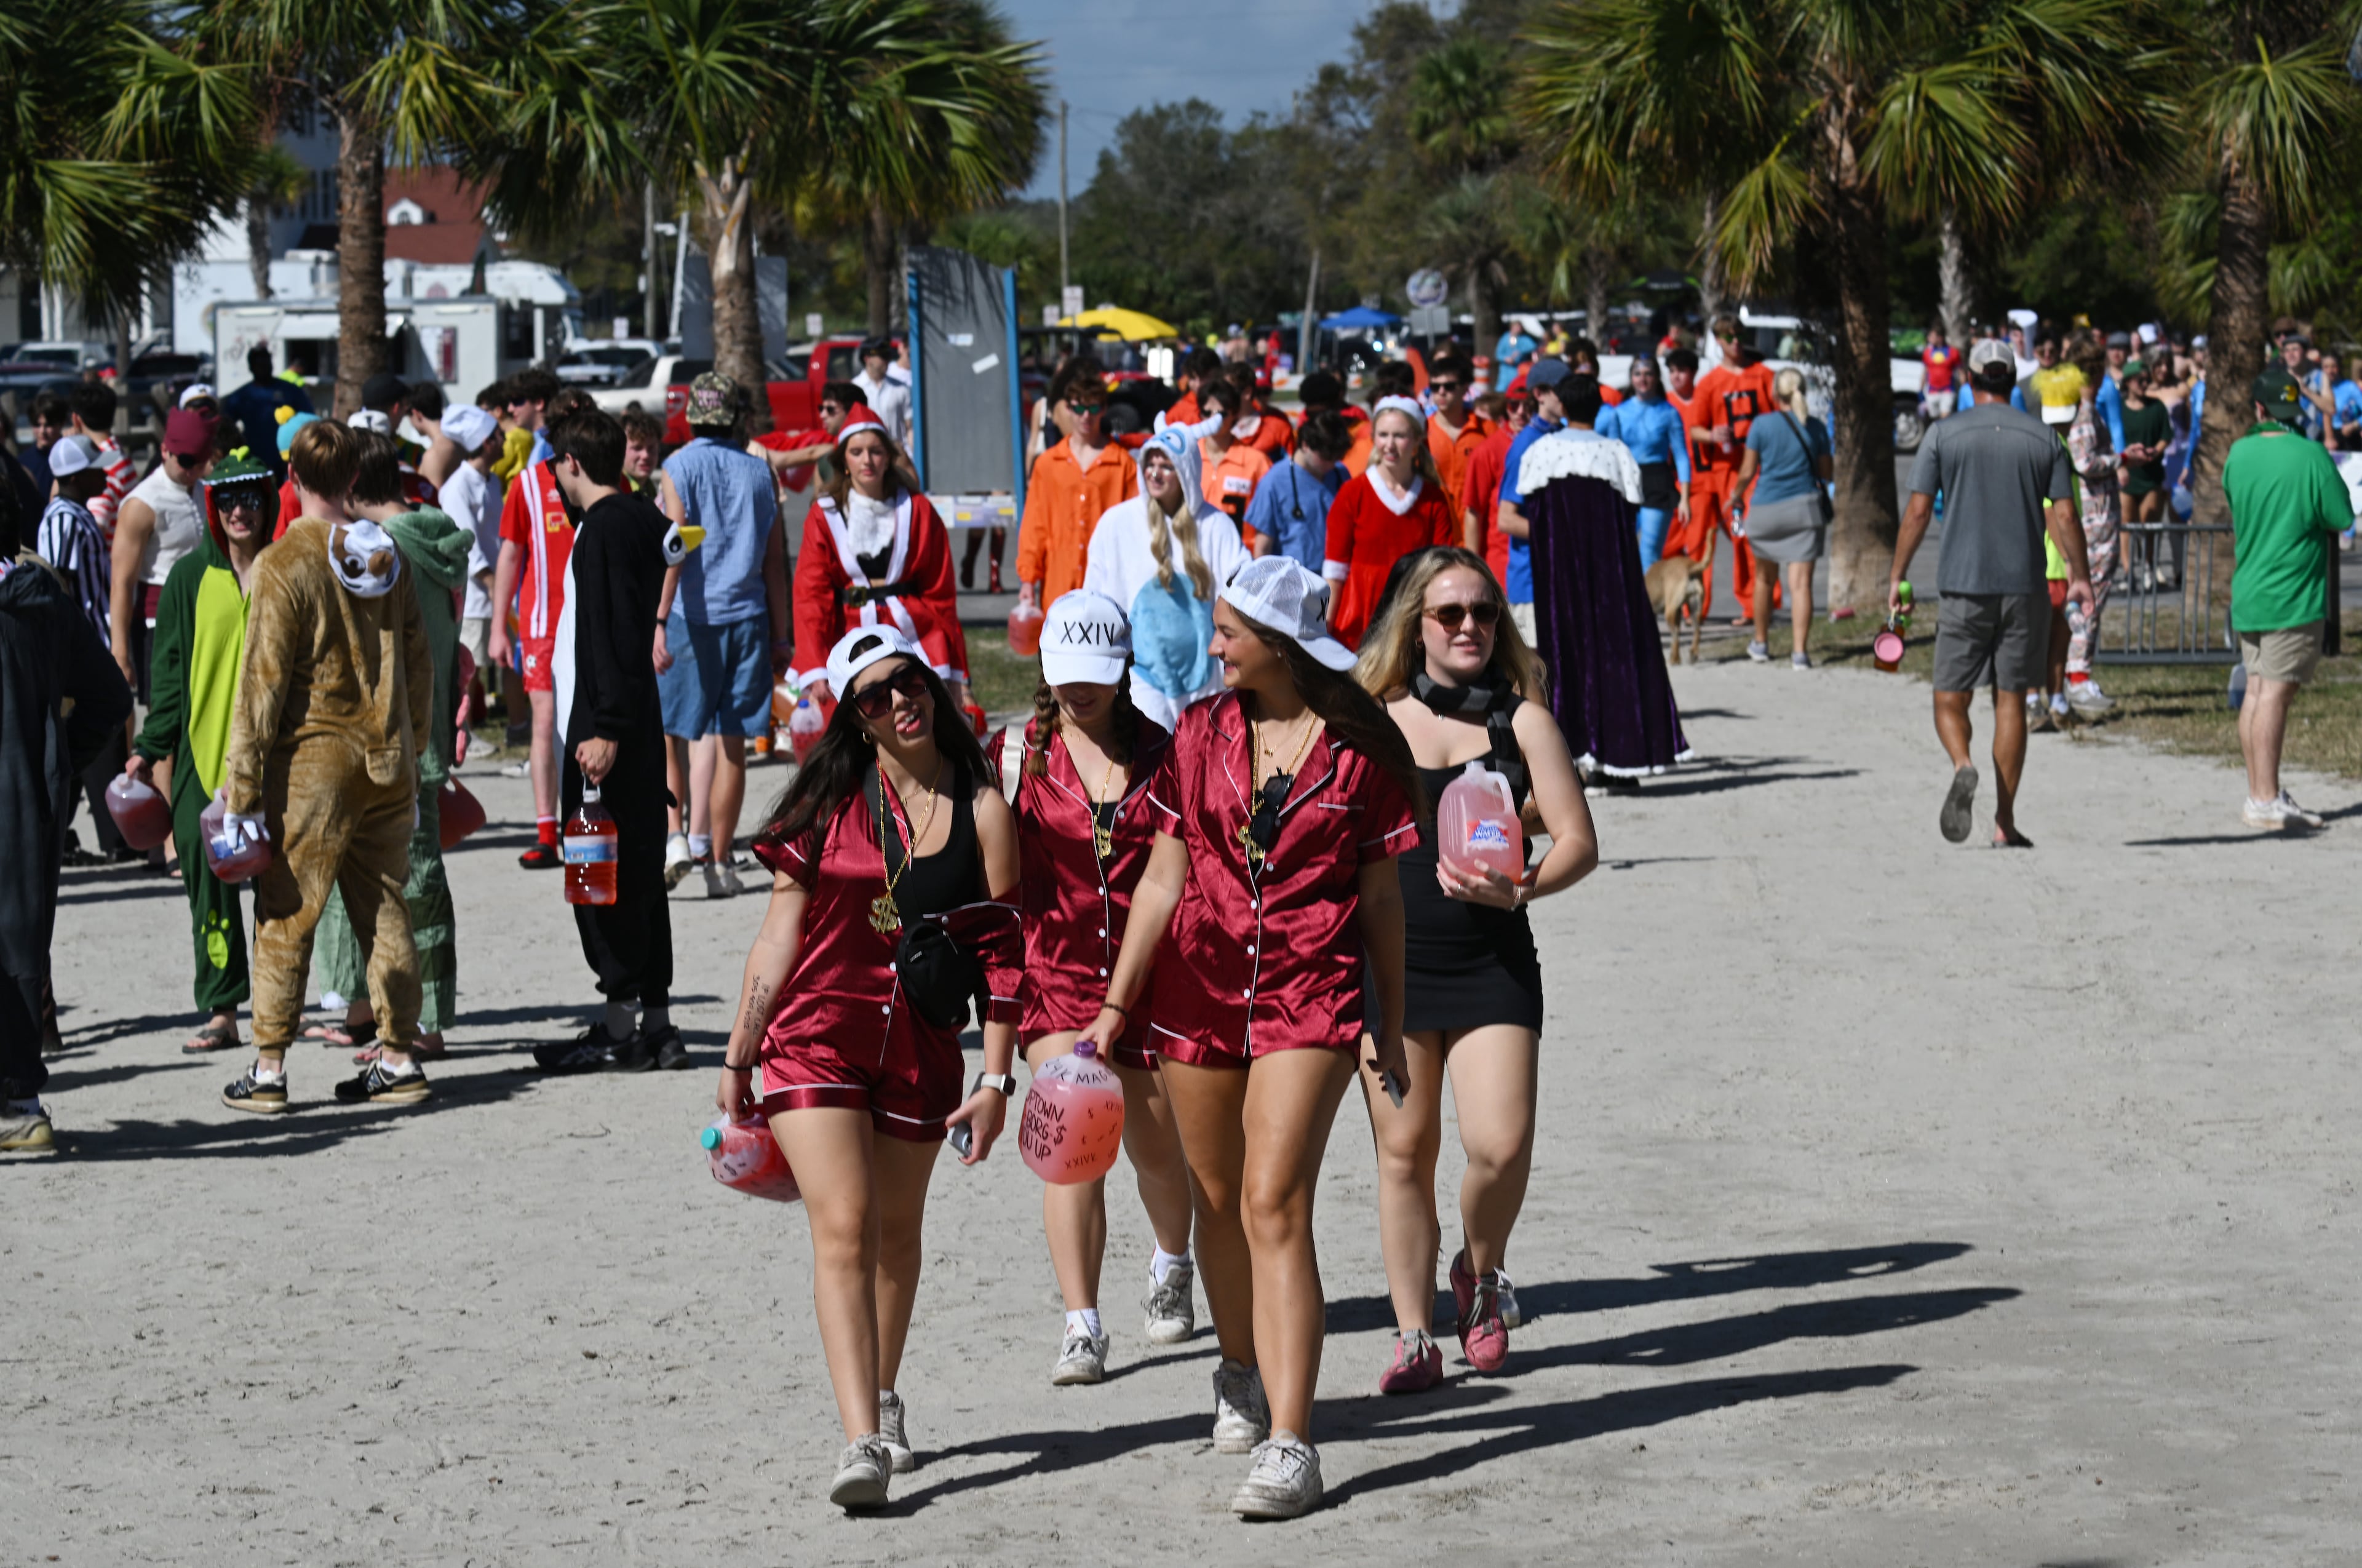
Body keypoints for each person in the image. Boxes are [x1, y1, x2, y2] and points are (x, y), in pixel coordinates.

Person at [1071, 555, 1419, 1519]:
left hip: (1314, 989)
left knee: (1274, 1201)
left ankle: (1293, 1442)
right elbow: (1161, 877)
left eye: (1228, 630)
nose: (1212, 643)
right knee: (1216, 1201)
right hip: (1199, 988)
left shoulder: (1361, 745)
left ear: (1280, 643)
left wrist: (1385, 1018)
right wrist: (1112, 1005)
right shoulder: (1198, 731)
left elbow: (1384, 896)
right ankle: (1239, 1365)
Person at [720, 625, 1023, 1510]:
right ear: (856, 719)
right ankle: (861, 1441)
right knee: (845, 1222)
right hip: (813, 1034)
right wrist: (741, 1051)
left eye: (912, 682)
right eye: (878, 694)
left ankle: (884, 1395)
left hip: (923, 1048)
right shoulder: (824, 809)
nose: (902, 700)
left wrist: (996, 1080)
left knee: (896, 1233)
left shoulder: (982, 809)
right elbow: (778, 937)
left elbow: (1007, 959)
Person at [1351, 547, 1596, 1388]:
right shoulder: (1373, 718)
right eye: (1450, 614)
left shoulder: (1520, 722)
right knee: (1404, 1152)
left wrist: (1521, 887)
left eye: (1484, 613)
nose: (1469, 628)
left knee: (1499, 1145)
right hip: (1391, 967)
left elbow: (1579, 842)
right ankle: (1414, 1335)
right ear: (1415, 625)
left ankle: (1481, 1274)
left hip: (1492, 960)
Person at [987, 591, 1199, 1383]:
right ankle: (1082, 1321)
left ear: (1124, 670)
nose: (1081, 692)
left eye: (1097, 677)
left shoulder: (1166, 752)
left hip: (1150, 978)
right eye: (1067, 676)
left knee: (1154, 1148)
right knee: (1071, 1135)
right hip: (1057, 976)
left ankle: (1173, 1259)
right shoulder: (1018, 756)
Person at [216, 419, 435, 1113]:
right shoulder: (387, 559)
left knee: (287, 911)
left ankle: (271, 1065)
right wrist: (414, 740)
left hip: (313, 759)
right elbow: (421, 662)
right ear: (352, 480)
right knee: (387, 907)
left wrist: (242, 787)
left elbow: (262, 686)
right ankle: (399, 1054)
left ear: (293, 478)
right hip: (387, 757)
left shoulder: (285, 562)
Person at [304, 434, 473, 1060]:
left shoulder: (384, 552)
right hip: (419, 739)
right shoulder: (433, 539)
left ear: (351, 485)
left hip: (385, 740)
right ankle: (386, 1012)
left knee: (405, 886)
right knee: (410, 879)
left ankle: (418, 1023)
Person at [1888, 339, 2091, 848]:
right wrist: (2080, 573)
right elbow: (2065, 515)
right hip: (2024, 584)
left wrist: (1898, 575)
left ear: (1971, 380)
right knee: (2011, 701)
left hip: (1963, 582)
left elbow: (1916, 511)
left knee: (1948, 696)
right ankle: (2004, 822)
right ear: (2011, 378)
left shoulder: (1943, 434)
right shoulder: (2044, 438)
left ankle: (1963, 763)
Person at [535, 407, 685, 1068]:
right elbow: (675, 536)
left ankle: (621, 1025)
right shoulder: (637, 518)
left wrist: (605, 731)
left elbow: (609, 635)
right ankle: (657, 1019)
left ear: (572, 463)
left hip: (605, 731)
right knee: (643, 874)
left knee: (601, 880)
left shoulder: (599, 531)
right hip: (637, 723)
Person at [126, 455, 274, 1056]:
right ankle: (222, 1009)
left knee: (279, 892)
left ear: (268, 503)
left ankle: (274, 1005)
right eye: (229, 500)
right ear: (213, 507)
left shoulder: (286, 567)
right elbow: (167, 675)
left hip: (275, 766)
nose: (241, 511)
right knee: (209, 897)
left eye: (252, 499)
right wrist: (149, 747)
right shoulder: (187, 577)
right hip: (201, 765)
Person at [0, 503, 134, 1153]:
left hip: (31, 789)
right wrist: (57, 763)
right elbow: (109, 697)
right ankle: (21, 1100)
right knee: (23, 944)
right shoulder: (47, 600)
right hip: (31, 799)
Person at [1515, 374, 1692, 786]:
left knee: (1567, 661)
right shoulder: (1616, 453)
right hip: (1612, 581)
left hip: (1561, 583)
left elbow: (1532, 514)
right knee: (1614, 660)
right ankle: (1618, 757)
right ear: (1598, 406)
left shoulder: (1542, 452)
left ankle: (1574, 759)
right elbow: (1631, 511)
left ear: (1561, 404)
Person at [658, 373, 789, 897]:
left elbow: (675, 548)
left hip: (693, 614)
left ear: (691, 416)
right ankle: (719, 861)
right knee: (732, 744)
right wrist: (782, 635)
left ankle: (674, 838)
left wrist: (658, 618)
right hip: (750, 616)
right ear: (736, 417)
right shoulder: (761, 473)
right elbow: (775, 564)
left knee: (672, 733)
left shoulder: (678, 465)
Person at [788, 402, 971, 720]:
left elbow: (941, 594)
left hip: (914, 632)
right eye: (856, 452)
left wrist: (957, 672)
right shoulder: (825, 515)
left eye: (875, 451)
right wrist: (815, 665)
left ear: (888, 457)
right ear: (843, 459)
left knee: (925, 720)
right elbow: (810, 596)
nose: (867, 461)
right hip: (848, 630)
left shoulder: (918, 509)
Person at [2226, 372, 2350, 831]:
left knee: (2257, 691)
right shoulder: (2311, 454)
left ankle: (2262, 791)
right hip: (2293, 592)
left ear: (2258, 410)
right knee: (2275, 694)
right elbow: (2340, 514)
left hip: (2251, 588)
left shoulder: (2238, 453)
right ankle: (2264, 797)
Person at [491, 386, 600, 869]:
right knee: (544, 722)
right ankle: (545, 831)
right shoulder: (528, 484)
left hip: (596, 620)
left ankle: (589, 822)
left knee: (594, 723)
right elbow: (510, 554)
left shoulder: (607, 479)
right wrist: (499, 626)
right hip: (542, 624)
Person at [1081, 422, 1249, 730]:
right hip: (1142, 674)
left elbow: (1241, 589)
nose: (1155, 473)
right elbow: (1095, 595)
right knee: (1151, 754)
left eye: (1167, 466)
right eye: (1151, 464)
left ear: (1186, 471)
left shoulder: (1215, 526)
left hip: (1202, 672)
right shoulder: (1117, 523)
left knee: (1199, 754)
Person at [1321, 398, 1458, 649]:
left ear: (1417, 441)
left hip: (1412, 614)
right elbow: (1335, 573)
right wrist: (1324, 628)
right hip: (1358, 620)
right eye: (1383, 435)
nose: (1390, 444)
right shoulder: (1353, 492)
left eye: (1400, 435)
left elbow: (1442, 568)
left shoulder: (1434, 499)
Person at [1015, 356, 1136, 612]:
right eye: (1078, 409)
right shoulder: (1048, 463)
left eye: (1093, 409)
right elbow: (1034, 524)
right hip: (1059, 582)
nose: (1085, 417)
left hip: (1108, 583)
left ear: (1104, 409)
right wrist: (1028, 579)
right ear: (1068, 408)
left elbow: (1134, 528)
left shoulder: (1123, 463)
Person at [111, 408, 217, 702]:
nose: (192, 470)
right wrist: (120, 652)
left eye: (200, 462)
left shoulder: (203, 489)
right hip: (159, 626)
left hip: (206, 618)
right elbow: (121, 582)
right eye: (185, 461)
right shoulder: (142, 504)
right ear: (165, 451)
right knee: (166, 719)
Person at [1679, 315, 1779, 622]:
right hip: (1727, 477)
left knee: (1753, 535)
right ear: (1718, 341)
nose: (1736, 342)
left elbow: (1780, 418)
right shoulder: (1710, 384)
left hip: (1759, 474)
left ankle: (1759, 605)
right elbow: (1695, 429)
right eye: (1728, 337)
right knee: (1737, 535)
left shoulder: (1763, 375)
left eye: (1739, 336)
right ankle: (1738, 605)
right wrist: (1712, 435)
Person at [1732, 367, 1831, 667]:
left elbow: (1748, 472)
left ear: (1775, 394)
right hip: (1804, 510)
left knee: (1764, 579)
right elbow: (1827, 474)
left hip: (1765, 512)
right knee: (1801, 585)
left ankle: (1761, 644)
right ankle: (1800, 653)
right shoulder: (1816, 427)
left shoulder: (1761, 425)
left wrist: (1734, 496)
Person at [2063, 357, 2131, 719]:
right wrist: (2118, 460)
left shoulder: (2079, 411)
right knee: (2091, 596)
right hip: (2096, 517)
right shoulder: (2085, 414)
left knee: (2086, 595)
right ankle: (2077, 674)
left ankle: (2075, 672)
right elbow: (2085, 461)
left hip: (2095, 514)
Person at [1495, 360, 1572, 644]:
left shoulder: (1562, 437)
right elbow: (1506, 519)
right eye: (1561, 390)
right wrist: (1558, 534)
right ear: (1539, 394)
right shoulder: (1525, 445)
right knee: (1535, 679)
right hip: (1530, 583)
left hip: (1559, 579)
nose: (1568, 396)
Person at [1598, 354, 1692, 567]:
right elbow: (1612, 453)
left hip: (1657, 479)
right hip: (1626, 479)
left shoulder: (1669, 412)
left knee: (1649, 551)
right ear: (1631, 378)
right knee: (1622, 549)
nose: (1643, 379)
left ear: (1657, 378)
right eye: (1638, 374)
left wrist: (1685, 497)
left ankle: (1648, 599)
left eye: (1649, 374)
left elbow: (1681, 456)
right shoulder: (1619, 412)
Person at [437, 405, 503, 701]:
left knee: (497, 661)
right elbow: (466, 542)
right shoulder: (457, 487)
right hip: (475, 595)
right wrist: (491, 584)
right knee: (469, 668)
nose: (505, 439)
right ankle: (465, 734)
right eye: (500, 435)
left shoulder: (493, 481)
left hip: (497, 588)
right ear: (487, 442)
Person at [1246, 410, 1350, 572]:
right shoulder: (1274, 482)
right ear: (1305, 445)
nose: (1331, 464)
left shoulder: (1340, 474)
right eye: (1326, 457)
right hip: (1294, 583)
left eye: (1337, 457)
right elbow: (1262, 549)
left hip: (1335, 578)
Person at [1460, 391, 1526, 589]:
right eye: (1515, 405)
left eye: (1528, 405)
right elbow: (1473, 512)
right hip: (1501, 565)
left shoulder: (1548, 442)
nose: (1521, 412)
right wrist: (1473, 568)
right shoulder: (1488, 451)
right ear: (1507, 408)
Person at [221, 346, 312, 480]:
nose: (264, 367)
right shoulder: (242, 396)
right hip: (254, 462)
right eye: (259, 363)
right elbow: (224, 425)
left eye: (267, 362)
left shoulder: (290, 391)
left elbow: (308, 420)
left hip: (287, 461)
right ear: (251, 367)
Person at [1196, 374, 1271, 533]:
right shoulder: (1187, 458)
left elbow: (1269, 520)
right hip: (1193, 553)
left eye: (1220, 414)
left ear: (1235, 413)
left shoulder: (1257, 462)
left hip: (1242, 555)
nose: (1212, 420)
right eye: (1206, 413)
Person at [66, 383, 135, 547]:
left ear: (76, 420)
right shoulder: (118, 455)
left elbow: (95, 528)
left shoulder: (102, 466)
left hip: (108, 568)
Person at [1423, 356, 1490, 511]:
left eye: (1449, 386)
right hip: (1439, 526)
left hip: (1477, 526)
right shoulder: (1421, 432)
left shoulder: (1487, 429)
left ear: (1465, 388)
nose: (1441, 392)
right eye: (1435, 387)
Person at [853, 339, 912, 450]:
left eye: (888, 356)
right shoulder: (855, 388)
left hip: (897, 453)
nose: (887, 361)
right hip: (868, 454)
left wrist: (912, 454)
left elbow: (910, 427)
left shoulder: (901, 388)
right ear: (867, 359)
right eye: (882, 357)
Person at [506, 367, 561, 466]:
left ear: (539, 403)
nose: (510, 409)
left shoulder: (550, 445)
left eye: (516, 401)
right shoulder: (543, 441)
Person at [1921, 325, 1960, 421]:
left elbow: (1960, 371)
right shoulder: (1927, 352)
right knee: (1934, 421)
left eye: (1932, 336)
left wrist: (1963, 388)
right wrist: (1921, 388)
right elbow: (1925, 371)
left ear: (1940, 338)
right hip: (1932, 391)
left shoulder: (1953, 352)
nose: (1929, 338)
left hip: (1947, 391)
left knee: (1945, 419)